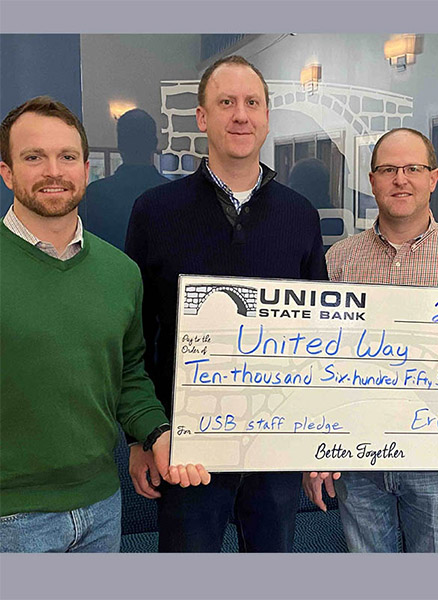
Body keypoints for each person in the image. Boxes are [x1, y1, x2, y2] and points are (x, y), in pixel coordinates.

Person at [125, 56, 327, 552]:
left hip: (277, 442)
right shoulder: (155, 212)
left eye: (252, 103)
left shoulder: (300, 215)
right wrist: (140, 437)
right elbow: (137, 335)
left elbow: (322, 335)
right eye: (226, 102)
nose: (241, 115)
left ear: (266, 116)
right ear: (202, 117)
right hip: (186, 444)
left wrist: (321, 434)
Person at [0, 96, 209, 553]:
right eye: (34, 157)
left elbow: (129, 375)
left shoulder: (120, 272)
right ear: (7, 172)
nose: (54, 170)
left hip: (101, 505)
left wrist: (157, 434)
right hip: (9, 518)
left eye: (67, 157)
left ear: (87, 169)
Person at [303, 127, 438, 552]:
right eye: (388, 169)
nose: (400, 179)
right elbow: (318, 363)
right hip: (356, 458)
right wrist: (315, 450)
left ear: (433, 178)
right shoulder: (338, 260)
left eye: (413, 168)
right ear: (372, 180)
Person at [84, 108, 169, 250]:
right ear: (154, 144)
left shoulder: (94, 195)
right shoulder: (172, 195)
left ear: (120, 145)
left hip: (108, 271)